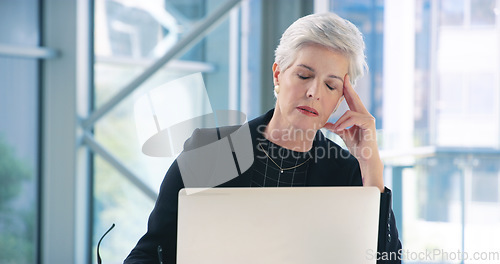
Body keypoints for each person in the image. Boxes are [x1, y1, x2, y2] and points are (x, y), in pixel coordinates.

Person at [124, 12, 402, 263]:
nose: (314, 92)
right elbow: (149, 253)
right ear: (278, 75)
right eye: (304, 75)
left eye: (331, 85)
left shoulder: (348, 174)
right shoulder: (212, 151)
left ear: (342, 97)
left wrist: (371, 168)